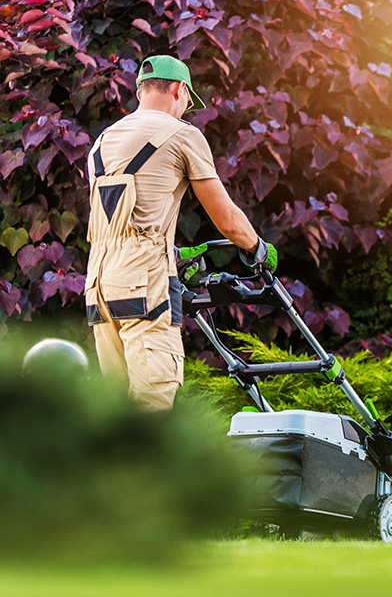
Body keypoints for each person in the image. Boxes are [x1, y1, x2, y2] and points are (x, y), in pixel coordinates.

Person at [85, 55, 277, 412]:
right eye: (188, 100)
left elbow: (119, 218)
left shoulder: (103, 141)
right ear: (179, 89)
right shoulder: (183, 135)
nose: (186, 108)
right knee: (151, 404)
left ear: (141, 91)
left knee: (115, 412)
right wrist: (258, 248)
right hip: (143, 285)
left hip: (99, 284)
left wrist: (170, 252)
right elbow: (228, 222)